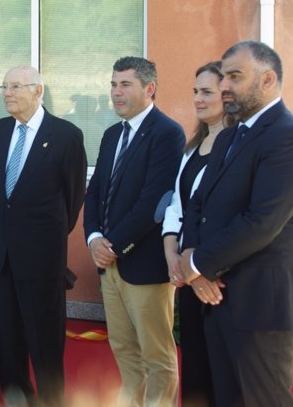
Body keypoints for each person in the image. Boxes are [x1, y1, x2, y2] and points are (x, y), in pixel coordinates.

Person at [179, 41, 293, 407]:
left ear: (267, 79)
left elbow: (262, 222)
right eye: (224, 77)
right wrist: (195, 264)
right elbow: (199, 204)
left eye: (235, 76)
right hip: (216, 299)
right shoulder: (230, 137)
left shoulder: (290, 137)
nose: (224, 87)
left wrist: (197, 264)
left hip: (261, 304)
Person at [83, 57, 184, 407]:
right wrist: (94, 238)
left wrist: (112, 244)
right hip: (109, 265)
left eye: (125, 84)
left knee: (157, 355)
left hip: (144, 265)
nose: (116, 92)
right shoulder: (113, 134)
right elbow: (95, 190)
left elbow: (153, 201)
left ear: (149, 88)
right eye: (113, 84)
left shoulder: (167, 133)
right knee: (123, 348)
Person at [0, 66, 87, 407]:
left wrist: (47, 236)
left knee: (44, 341)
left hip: (42, 258)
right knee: (7, 340)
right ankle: (16, 399)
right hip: (2, 255)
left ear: (38, 91)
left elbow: (72, 199)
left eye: (15, 86)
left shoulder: (66, 135)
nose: (7, 92)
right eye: (4, 86)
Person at [162, 62, 230, 407]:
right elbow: (176, 206)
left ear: (227, 96)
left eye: (207, 92)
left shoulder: (238, 148)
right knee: (196, 372)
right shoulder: (192, 148)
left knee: (224, 376)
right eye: (195, 92)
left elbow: (235, 219)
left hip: (221, 284)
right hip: (189, 278)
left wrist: (202, 269)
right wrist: (172, 254)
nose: (198, 100)